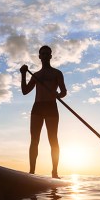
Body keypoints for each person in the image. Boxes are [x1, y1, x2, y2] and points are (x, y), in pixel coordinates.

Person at [20, 46, 67, 179]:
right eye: (43, 54)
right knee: (34, 140)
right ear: (39, 56)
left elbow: (64, 91)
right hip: (38, 107)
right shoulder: (36, 75)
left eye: (47, 54)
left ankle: (55, 173)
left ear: (51, 56)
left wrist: (58, 94)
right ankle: (31, 172)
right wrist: (23, 74)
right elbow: (25, 91)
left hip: (51, 106)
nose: (45, 56)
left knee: (53, 140)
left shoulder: (57, 73)